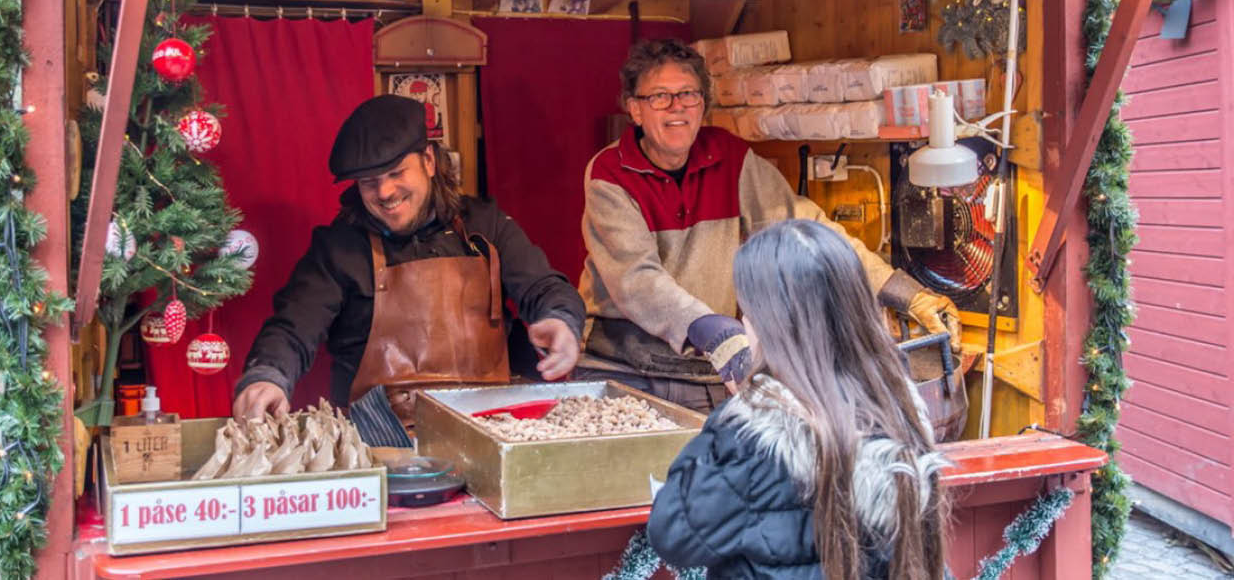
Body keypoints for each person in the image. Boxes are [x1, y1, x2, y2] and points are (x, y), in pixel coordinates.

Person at [578, 39, 960, 411]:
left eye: (688, 94)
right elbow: (637, 281)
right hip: (625, 368)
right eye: (659, 96)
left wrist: (903, 292)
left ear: (702, 105)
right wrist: (709, 327)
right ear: (635, 110)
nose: (676, 107)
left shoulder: (729, 158)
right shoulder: (610, 175)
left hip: (707, 366)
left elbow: (807, 229)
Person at [233, 95, 584, 446]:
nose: (385, 192)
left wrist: (561, 318)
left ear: (428, 161)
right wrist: (268, 375)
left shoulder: (486, 225)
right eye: (369, 182)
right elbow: (294, 326)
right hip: (378, 440)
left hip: (491, 432)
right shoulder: (339, 247)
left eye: (396, 173)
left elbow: (542, 286)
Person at [647, 219, 948, 579]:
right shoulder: (900, 417)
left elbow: (672, 531)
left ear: (768, 326)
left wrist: (737, 410)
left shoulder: (749, 439)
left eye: (747, 312)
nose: (744, 324)